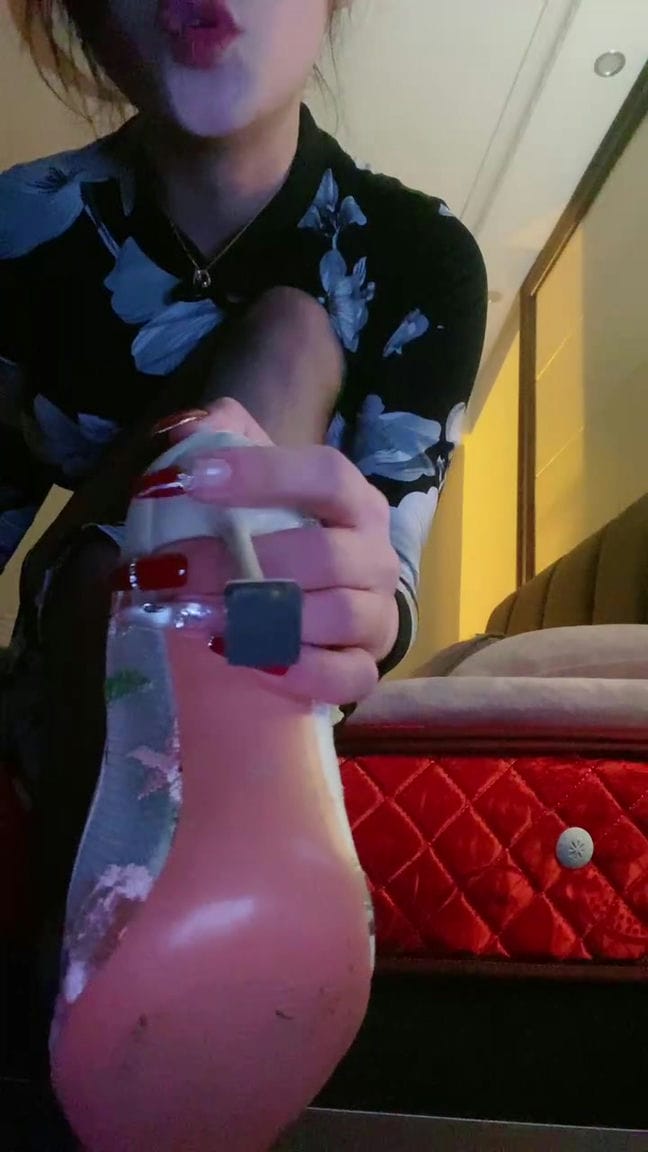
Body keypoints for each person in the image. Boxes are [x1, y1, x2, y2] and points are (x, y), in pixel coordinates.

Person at [0, 0, 487, 1141]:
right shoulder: (20, 233)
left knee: (293, 340)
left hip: (273, 642)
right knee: (288, 343)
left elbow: (383, 586)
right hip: (85, 635)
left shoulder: (416, 256)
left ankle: (150, 910)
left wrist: (359, 606)